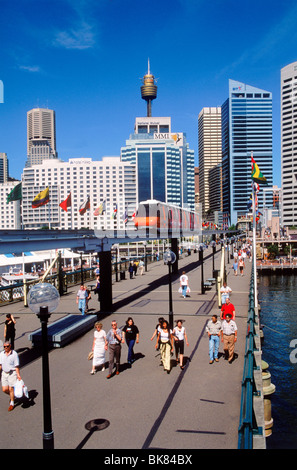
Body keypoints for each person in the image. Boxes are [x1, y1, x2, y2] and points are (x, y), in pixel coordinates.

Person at [0, 342, 22, 411]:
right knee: (4, 389)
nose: (6, 348)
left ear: (10, 346)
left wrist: (18, 375)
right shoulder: (1, 354)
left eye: (7, 346)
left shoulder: (14, 354)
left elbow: (16, 366)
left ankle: (12, 403)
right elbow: (0, 365)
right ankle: (13, 395)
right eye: (4, 346)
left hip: (12, 373)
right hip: (4, 373)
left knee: (11, 389)